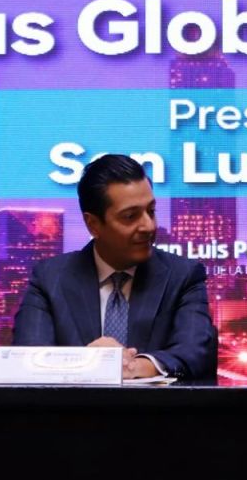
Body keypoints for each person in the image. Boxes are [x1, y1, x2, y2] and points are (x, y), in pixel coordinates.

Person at [14, 154, 217, 380]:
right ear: (93, 224)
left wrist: (136, 367)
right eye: (131, 216)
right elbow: (28, 359)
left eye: (151, 211)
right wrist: (94, 364)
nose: (149, 226)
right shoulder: (50, 278)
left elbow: (196, 351)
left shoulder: (183, 275)